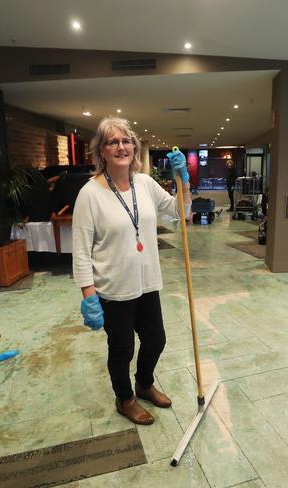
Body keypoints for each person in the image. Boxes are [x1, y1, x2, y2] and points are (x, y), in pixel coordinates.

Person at [72, 116, 191, 425]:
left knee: (156, 340)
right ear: (101, 150)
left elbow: (180, 212)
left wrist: (184, 180)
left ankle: (144, 383)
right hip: (113, 288)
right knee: (122, 348)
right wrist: (88, 295)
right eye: (113, 141)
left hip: (148, 283)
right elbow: (81, 251)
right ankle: (124, 398)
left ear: (134, 147)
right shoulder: (90, 194)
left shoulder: (145, 183)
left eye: (126, 140)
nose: (121, 146)